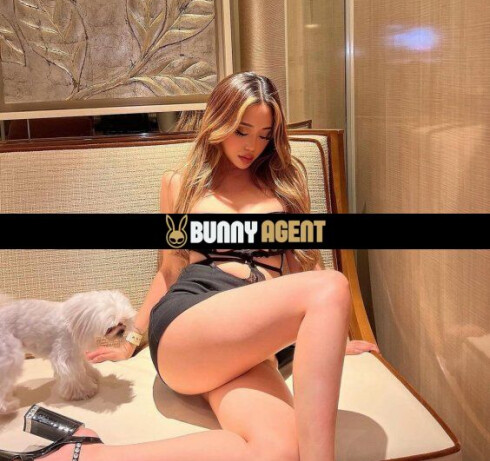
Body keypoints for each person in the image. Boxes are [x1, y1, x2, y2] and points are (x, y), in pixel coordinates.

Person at [16, 72, 379, 461]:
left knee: (281, 449)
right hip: (189, 325)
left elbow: (305, 265)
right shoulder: (181, 184)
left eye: (264, 135)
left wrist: (329, 337)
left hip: (247, 348)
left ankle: (80, 454)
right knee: (332, 286)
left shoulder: (285, 186)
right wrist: (130, 340)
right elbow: (169, 271)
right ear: (218, 122)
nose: (252, 146)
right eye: (241, 131)